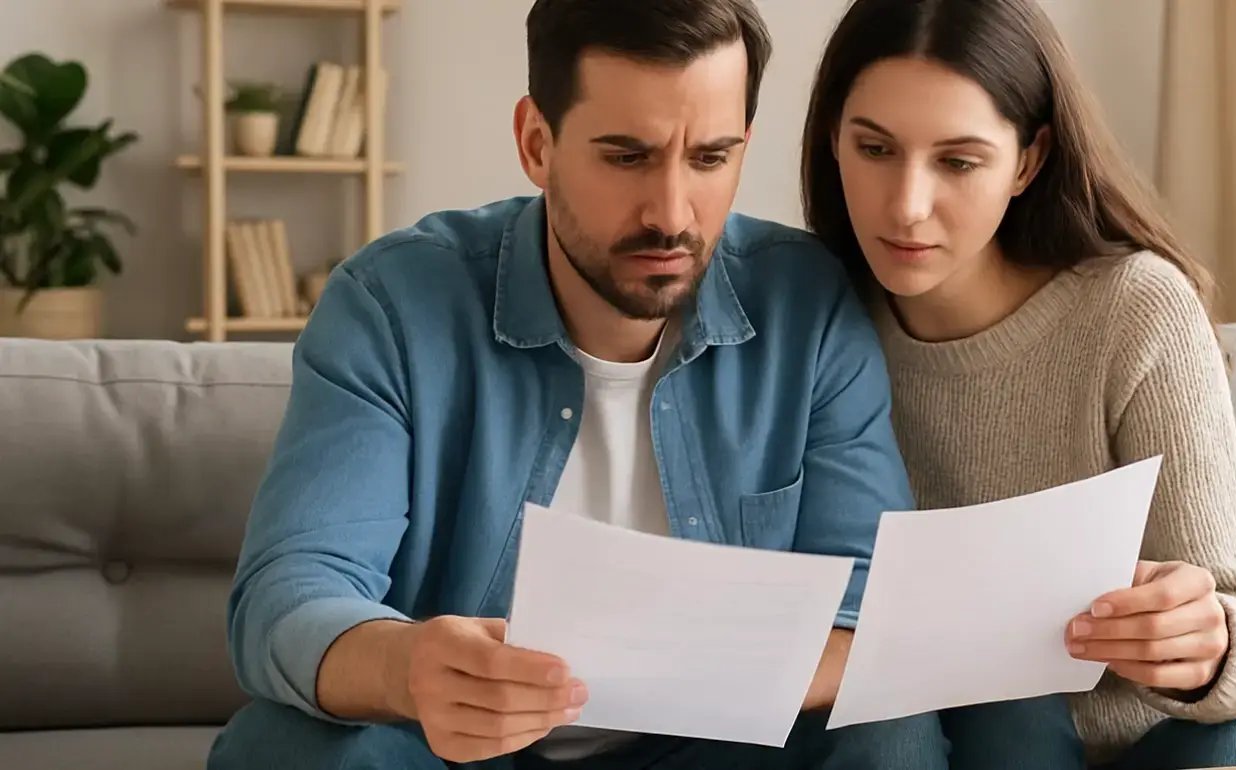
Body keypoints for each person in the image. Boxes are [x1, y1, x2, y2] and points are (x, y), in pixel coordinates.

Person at [206, 1, 949, 768]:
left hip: (715, 746)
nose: (671, 214)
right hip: (457, 753)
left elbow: (869, 601)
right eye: (626, 157)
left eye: (709, 158)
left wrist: (710, 678)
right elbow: (290, 592)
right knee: (285, 745)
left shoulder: (807, 305)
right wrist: (406, 668)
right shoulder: (390, 304)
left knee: (893, 727)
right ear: (537, 143)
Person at [801, 1, 1236, 769]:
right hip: (940, 740)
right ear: (833, 140)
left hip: (1134, 745)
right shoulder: (809, 319)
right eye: (874, 148)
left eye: (958, 162)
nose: (906, 205)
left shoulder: (1135, 310)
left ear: (1028, 161)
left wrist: (1207, 643)